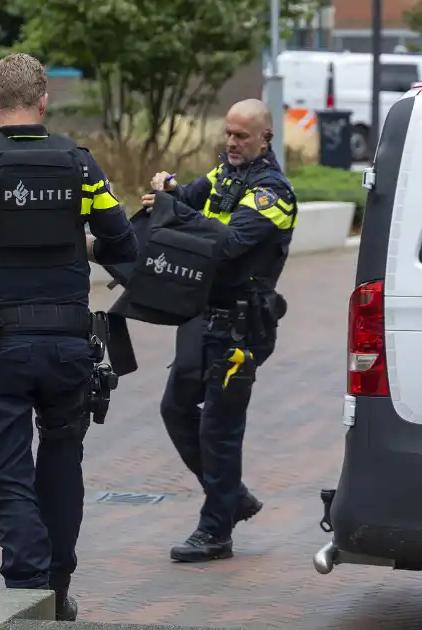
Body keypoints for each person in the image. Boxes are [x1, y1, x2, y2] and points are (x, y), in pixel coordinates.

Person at [0, 53, 138, 620]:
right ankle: (56, 591)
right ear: (43, 102)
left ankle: (28, 589)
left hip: (0, 348)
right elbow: (124, 245)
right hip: (69, 346)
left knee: (8, 470)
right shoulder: (80, 166)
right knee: (63, 463)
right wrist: (80, 244)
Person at [139, 98, 297, 563]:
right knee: (175, 408)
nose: (231, 142)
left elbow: (227, 243)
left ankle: (216, 531)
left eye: (241, 136)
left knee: (219, 428)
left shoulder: (273, 193)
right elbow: (187, 197)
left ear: (265, 137)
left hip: (242, 330)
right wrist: (166, 189)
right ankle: (233, 497)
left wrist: (175, 209)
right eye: (228, 133)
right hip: (202, 316)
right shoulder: (223, 176)